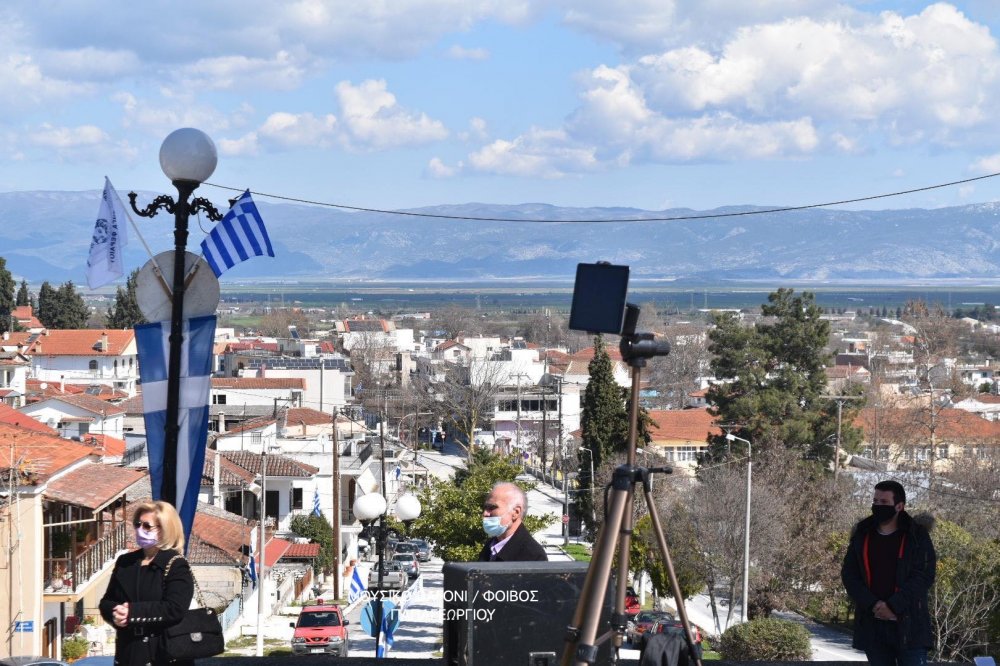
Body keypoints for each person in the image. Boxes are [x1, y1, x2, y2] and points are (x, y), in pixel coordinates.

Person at [842, 480, 936, 666]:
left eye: (884, 502)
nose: (877, 506)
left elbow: (923, 576)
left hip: (910, 628)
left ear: (899, 506)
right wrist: (874, 604)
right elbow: (849, 575)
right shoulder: (862, 534)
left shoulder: (916, 536)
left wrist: (893, 606)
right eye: (875, 501)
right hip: (873, 628)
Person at [99, 501, 195, 666]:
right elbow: (107, 602)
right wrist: (116, 614)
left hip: (163, 653)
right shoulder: (125, 562)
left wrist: (133, 613)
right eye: (137, 524)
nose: (139, 530)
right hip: (129, 653)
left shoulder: (175, 564)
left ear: (165, 529)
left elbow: (175, 608)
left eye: (147, 526)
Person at [478, 482, 547, 562]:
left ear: (515, 512)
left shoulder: (533, 556)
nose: (485, 513)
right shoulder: (490, 546)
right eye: (485, 507)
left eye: (492, 507)